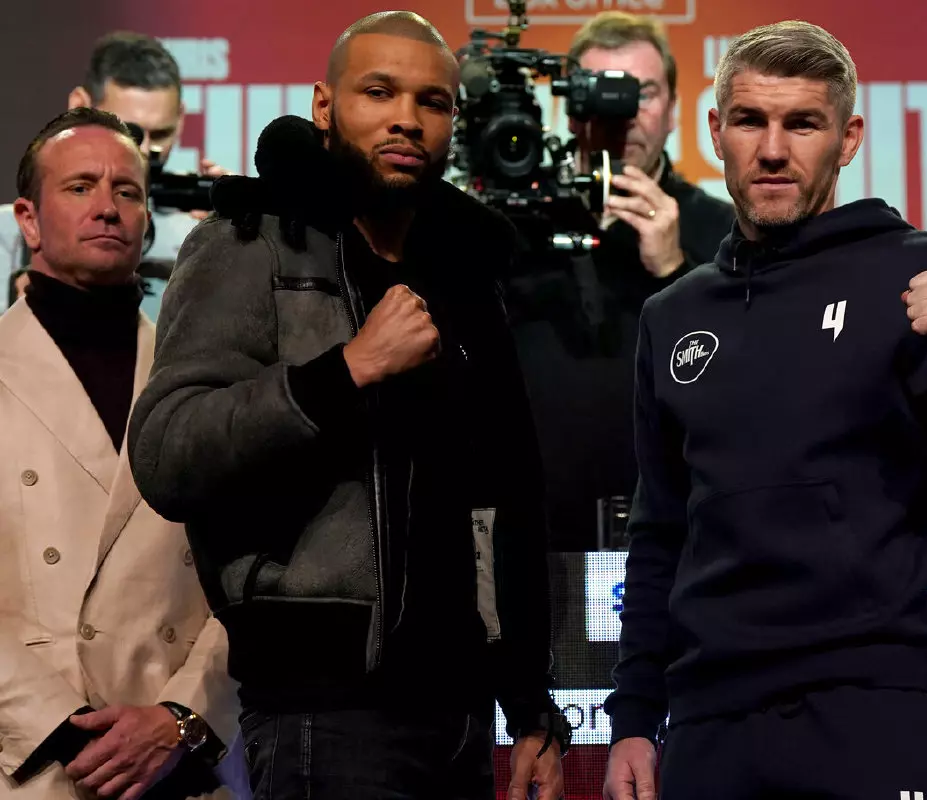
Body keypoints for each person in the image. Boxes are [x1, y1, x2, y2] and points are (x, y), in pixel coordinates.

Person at [601, 20, 927, 800]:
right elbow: (659, 535)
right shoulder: (674, 315)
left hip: (875, 710)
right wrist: (634, 719)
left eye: (803, 124)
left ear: (848, 139)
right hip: (710, 726)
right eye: (750, 121)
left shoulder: (919, 275)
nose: (772, 149)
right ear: (715, 132)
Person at [126, 12, 567, 800]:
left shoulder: (464, 276)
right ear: (325, 106)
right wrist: (346, 372)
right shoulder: (252, 243)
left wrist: (530, 702)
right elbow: (167, 451)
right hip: (322, 715)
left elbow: (509, 494)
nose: (408, 118)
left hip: (462, 715)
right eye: (379, 92)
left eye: (432, 101)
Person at [0, 108, 241, 799]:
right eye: (80, 187)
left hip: (179, 767)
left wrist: (181, 716)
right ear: (28, 219)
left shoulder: (204, 384)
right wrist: (59, 727)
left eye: (127, 191)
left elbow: (252, 576)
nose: (107, 207)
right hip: (32, 764)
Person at [504, 11, 735, 551]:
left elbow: (750, 393)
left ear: (673, 110)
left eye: (643, 93)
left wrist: (676, 271)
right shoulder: (509, 231)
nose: (622, 111)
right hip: (537, 536)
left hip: (682, 537)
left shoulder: (725, 231)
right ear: (569, 108)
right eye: (601, 91)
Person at [0, 32, 226, 315]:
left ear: (180, 119)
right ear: (80, 106)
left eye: (161, 134)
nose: (145, 151)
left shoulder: (203, 234)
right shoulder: (8, 236)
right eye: (129, 132)